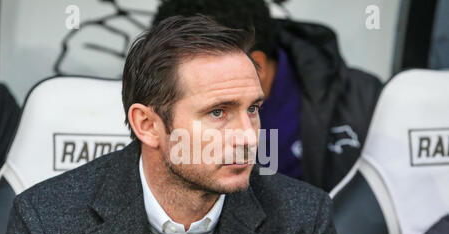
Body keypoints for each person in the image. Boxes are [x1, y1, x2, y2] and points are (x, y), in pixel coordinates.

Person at [0, 15, 341, 234]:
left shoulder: (304, 220)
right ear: (147, 125)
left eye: (252, 108)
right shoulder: (45, 222)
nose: (249, 136)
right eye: (218, 113)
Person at [152, 0, 383, 192]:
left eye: (198, 74)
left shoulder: (367, 104)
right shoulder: (153, 101)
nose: (179, 87)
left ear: (256, 66)